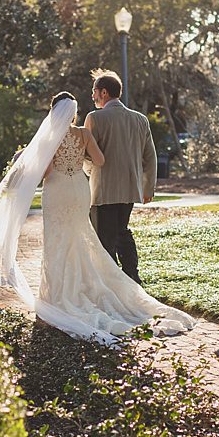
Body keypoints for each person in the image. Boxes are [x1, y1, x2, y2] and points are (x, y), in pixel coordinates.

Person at [0, 92, 196, 345]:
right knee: (81, 236)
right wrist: (78, 159)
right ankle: (88, 287)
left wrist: (28, 162)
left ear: (52, 112)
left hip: (57, 191)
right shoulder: (83, 134)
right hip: (79, 189)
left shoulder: (49, 139)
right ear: (74, 113)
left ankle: (57, 295)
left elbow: (44, 172)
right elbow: (99, 160)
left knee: (57, 240)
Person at [84, 69, 157, 284]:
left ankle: (112, 282)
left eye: (94, 91)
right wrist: (147, 188)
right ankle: (132, 276)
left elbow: (89, 155)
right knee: (122, 232)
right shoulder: (140, 119)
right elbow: (150, 157)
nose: (93, 96)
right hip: (129, 189)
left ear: (104, 92)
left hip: (103, 188)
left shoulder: (95, 118)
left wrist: (86, 171)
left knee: (104, 237)